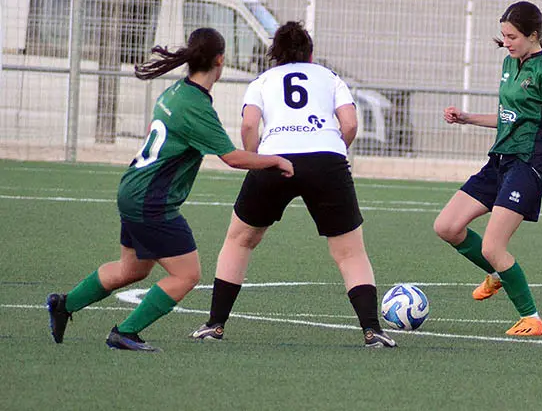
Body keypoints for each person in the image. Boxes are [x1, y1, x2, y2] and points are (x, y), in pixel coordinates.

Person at [45, 28, 294, 352]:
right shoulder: (196, 106)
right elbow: (232, 158)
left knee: (132, 269)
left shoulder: (176, 92)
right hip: (151, 200)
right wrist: (275, 160)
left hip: (132, 188)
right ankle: (126, 332)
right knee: (187, 275)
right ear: (220, 60)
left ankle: (64, 304)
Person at [189, 21, 397, 348]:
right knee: (350, 252)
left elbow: (248, 124)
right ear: (310, 54)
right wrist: (334, 148)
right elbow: (351, 122)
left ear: (275, 55)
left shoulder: (262, 80)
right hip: (327, 159)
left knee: (240, 240)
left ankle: (215, 324)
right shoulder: (329, 77)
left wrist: (255, 157)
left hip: (274, 158)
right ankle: (372, 330)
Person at [434, 1, 542, 337]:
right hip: (500, 161)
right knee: (447, 226)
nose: (506, 42)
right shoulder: (510, 64)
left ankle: (532, 318)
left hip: (527, 168)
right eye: (504, 35)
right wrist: (467, 117)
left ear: (533, 35)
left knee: (494, 246)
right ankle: (497, 274)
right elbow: (509, 117)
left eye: (512, 36)